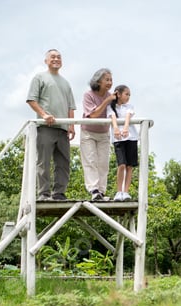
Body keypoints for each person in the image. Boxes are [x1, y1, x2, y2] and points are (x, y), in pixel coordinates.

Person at [26, 49, 76, 201]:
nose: (56, 59)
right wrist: (44, 115)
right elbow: (31, 100)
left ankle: (59, 193)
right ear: (46, 60)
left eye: (59, 57)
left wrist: (72, 126)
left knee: (64, 163)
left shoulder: (66, 83)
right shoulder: (39, 78)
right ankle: (44, 193)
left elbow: (71, 106)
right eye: (53, 57)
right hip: (46, 127)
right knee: (44, 162)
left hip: (63, 128)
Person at [80, 68, 116, 200]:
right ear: (98, 81)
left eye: (111, 80)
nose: (110, 82)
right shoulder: (88, 95)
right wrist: (107, 101)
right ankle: (94, 190)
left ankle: (102, 191)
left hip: (103, 133)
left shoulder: (111, 96)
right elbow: (93, 115)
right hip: (88, 132)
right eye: (107, 79)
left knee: (103, 163)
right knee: (91, 160)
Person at [107, 85, 139, 201]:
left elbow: (128, 117)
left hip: (131, 137)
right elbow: (113, 118)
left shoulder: (129, 106)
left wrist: (125, 128)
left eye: (129, 94)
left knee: (130, 166)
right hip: (118, 139)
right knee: (121, 165)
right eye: (126, 94)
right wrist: (116, 129)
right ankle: (119, 191)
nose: (128, 97)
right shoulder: (111, 107)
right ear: (119, 94)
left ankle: (126, 192)